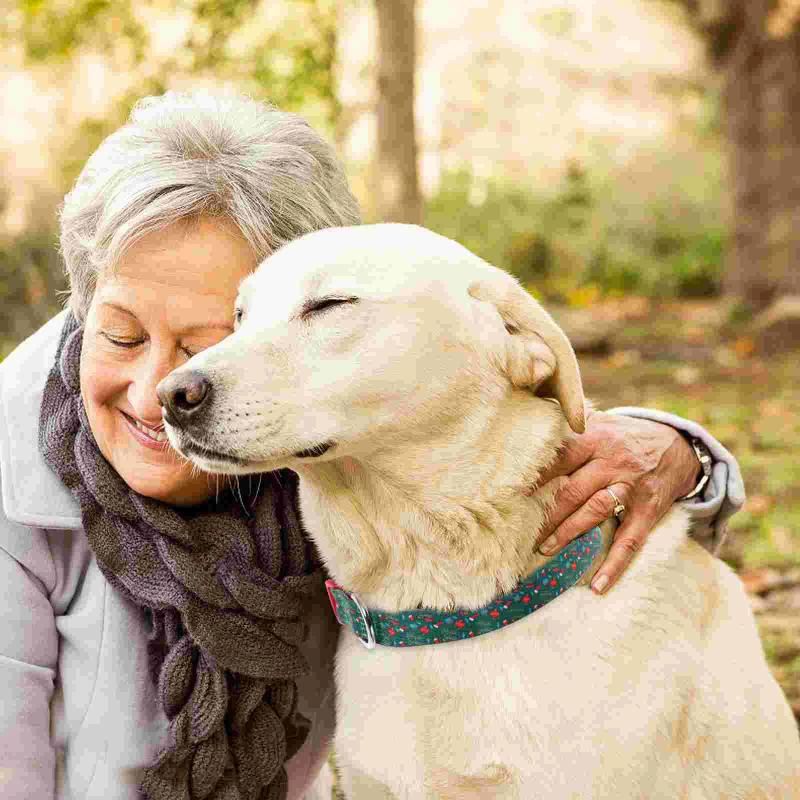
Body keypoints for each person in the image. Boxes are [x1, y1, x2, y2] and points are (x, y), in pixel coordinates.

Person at [0, 91, 744, 800]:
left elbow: (478, 401)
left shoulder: (333, 429)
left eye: (214, 336)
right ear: (81, 305)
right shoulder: (20, 461)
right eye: (121, 334)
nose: (167, 388)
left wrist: (679, 448)